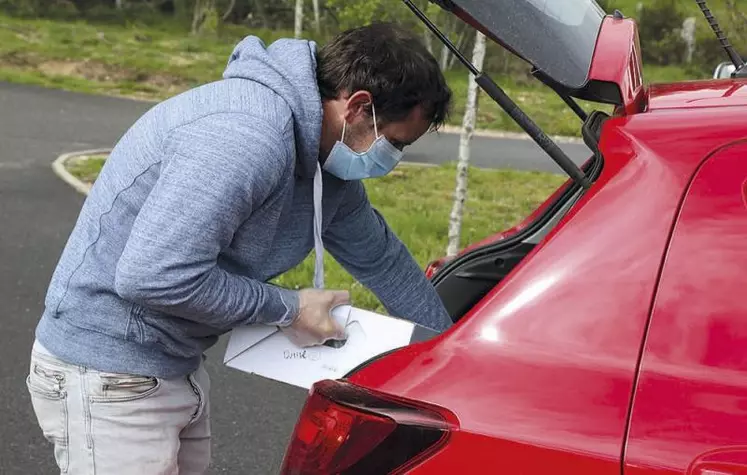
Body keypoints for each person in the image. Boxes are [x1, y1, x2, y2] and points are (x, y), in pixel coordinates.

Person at [26, 22, 453, 474]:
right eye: (395, 143)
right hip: (106, 371)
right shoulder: (247, 137)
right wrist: (290, 308)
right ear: (359, 107)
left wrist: (452, 357)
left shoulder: (329, 168)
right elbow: (153, 276)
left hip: (173, 365)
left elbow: (384, 262)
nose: (393, 158)